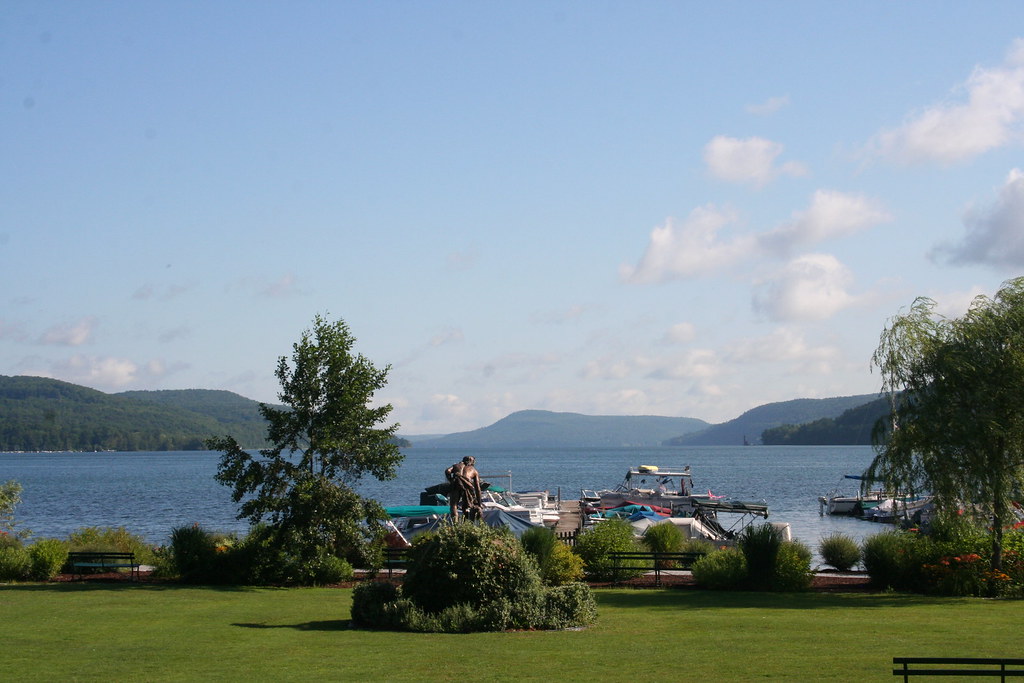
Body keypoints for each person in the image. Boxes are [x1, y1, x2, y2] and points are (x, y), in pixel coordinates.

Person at [445, 455, 483, 520]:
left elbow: (447, 471)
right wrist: (479, 503)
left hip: (456, 484)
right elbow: (477, 488)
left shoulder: (456, 466)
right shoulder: (474, 470)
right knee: (468, 505)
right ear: (472, 462)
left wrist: (450, 479)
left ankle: (455, 524)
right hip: (467, 486)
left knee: (453, 506)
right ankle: (468, 522)